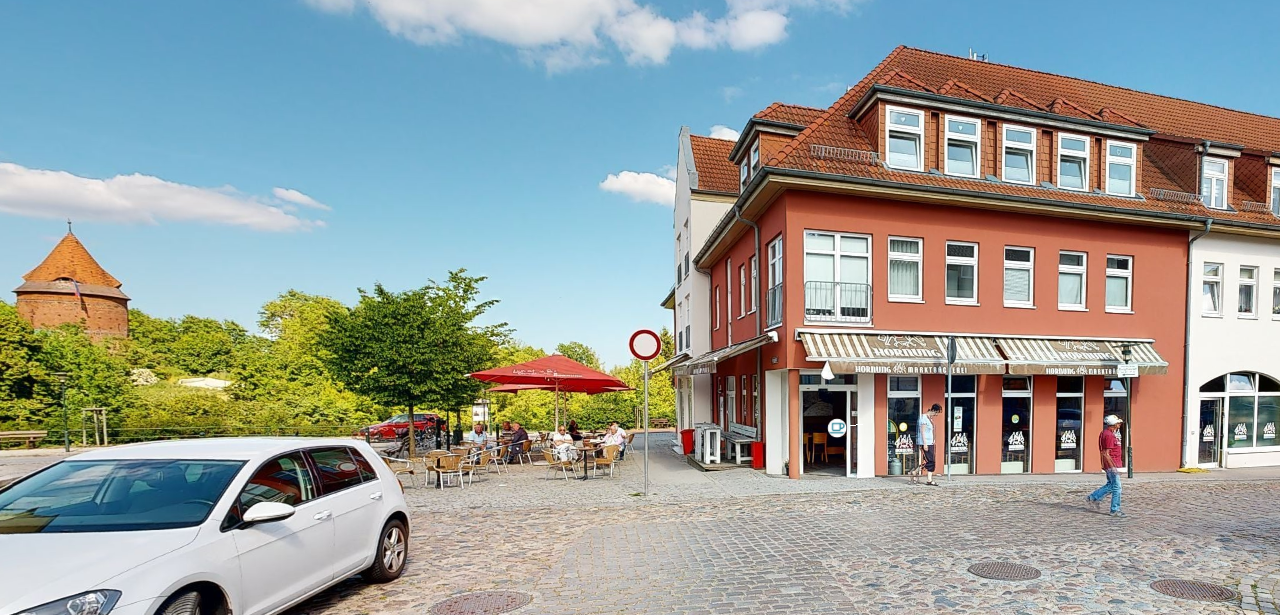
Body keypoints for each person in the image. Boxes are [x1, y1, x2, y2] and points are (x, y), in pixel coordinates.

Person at [1086, 415, 1126, 517]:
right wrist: (1113, 468)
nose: (1120, 424)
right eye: (1118, 423)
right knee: (1117, 488)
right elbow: (1106, 453)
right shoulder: (1109, 435)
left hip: (1111, 464)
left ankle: (1093, 497)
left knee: (1111, 485)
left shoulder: (1106, 433)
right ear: (1113, 424)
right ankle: (1115, 509)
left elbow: (1102, 451)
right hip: (1112, 465)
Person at [915, 403, 941, 486]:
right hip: (926, 442)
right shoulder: (924, 418)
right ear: (933, 410)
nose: (936, 415)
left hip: (930, 442)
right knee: (930, 460)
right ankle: (929, 479)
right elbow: (922, 431)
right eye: (936, 413)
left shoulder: (930, 418)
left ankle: (915, 472)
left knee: (930, 460)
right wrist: (925, 443)